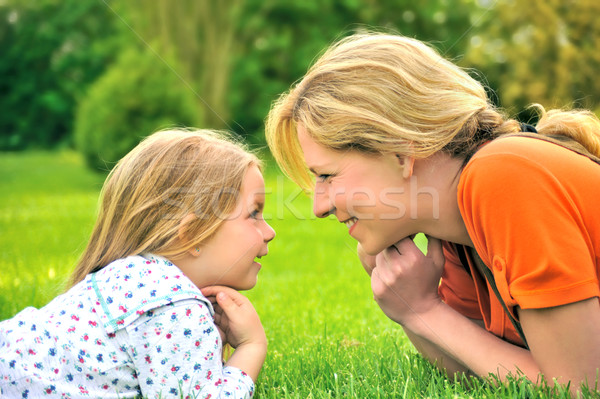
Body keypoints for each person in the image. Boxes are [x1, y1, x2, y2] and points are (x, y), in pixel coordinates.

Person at [265, 32, 600, 394]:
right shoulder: (455, 231)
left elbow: (577, 387)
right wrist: (415, 307)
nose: (319, 207)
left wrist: (424, 310)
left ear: (400, 153)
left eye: (328, 176)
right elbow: (487, 372)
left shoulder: (502, 175)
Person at [0, 129, 275, 398]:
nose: (270, 232)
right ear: (191, 234)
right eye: (254, 214)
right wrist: (251, 348)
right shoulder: (175, 306)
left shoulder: (129, 276)